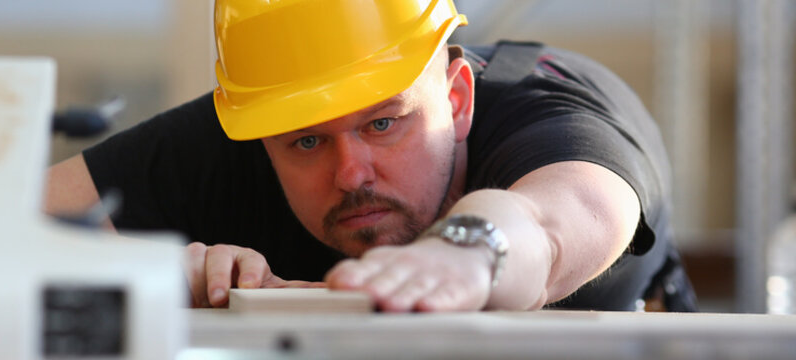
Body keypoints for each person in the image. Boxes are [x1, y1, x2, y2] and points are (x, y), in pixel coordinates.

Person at [44, 0, 696, 312]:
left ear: (457, 97)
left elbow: (565, 217)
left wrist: (468, 251)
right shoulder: (251, 129)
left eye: (384, 123)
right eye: (305, 141)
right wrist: (149, 272)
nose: (350, 173)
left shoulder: (550, 114)